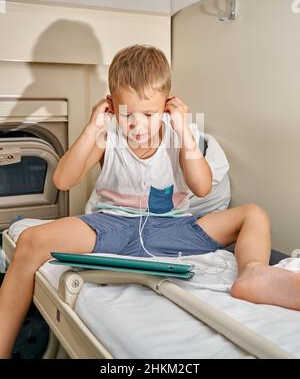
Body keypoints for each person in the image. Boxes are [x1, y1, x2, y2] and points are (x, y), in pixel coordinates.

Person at [0, 45, 299, 359]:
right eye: (128, 114)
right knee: (31, 241)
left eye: (149, 114)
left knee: (253, 214)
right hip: (112, 226)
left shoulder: (179, 133)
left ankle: (253, 274)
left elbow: (202, 187)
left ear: (167, 107)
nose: (138, 125)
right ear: (112, 106)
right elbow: (62, 180)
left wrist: (183, 130)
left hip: (173, 228)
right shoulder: (107, 135)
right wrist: (93, 128)